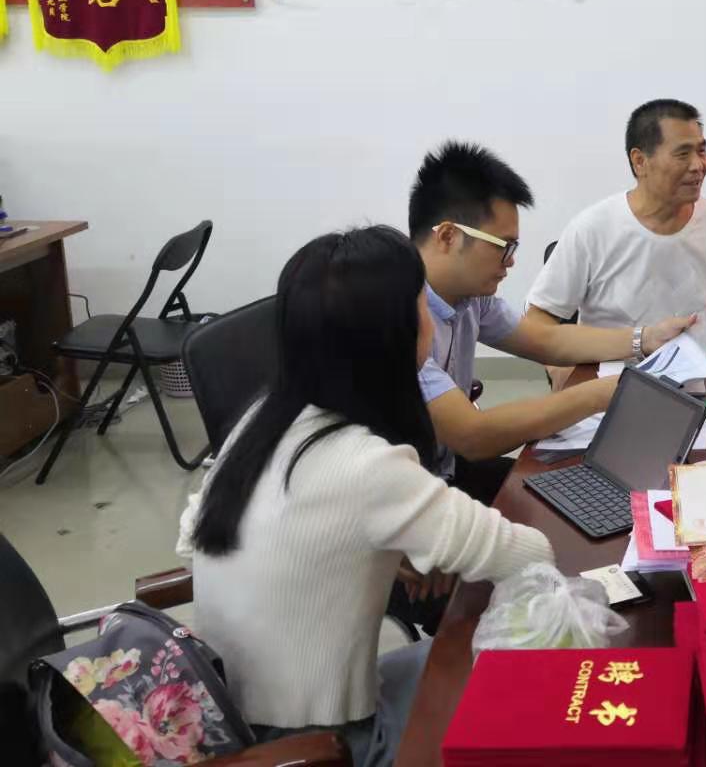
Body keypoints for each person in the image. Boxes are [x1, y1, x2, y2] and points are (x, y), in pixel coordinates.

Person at [179, 226, 556, 767]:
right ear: (396, 334)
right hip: (323, 745)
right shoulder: (368, 465)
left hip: (233, 715)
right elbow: (529, 557)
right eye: (421, 303)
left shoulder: (263, 419)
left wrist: (377, 549)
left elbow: (192, 536)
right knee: (535, 679)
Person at [408, 141, 692, 500]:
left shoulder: (471, 299)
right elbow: (473, 436)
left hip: (446, 468)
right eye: (503, 247)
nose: (511, 261)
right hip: (410, 497)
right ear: (448, 236)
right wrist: (599, 394)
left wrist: (645, 338)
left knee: (575, 492)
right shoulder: (394, 315)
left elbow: (546, 340)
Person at [526, 98, 706, 330]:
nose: (698, 165)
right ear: (640, 161)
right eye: (682, 154)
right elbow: (540, 319)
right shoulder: (591, 229)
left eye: (701, 151)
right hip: (615, 357)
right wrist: (573, 363)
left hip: (702, 357)